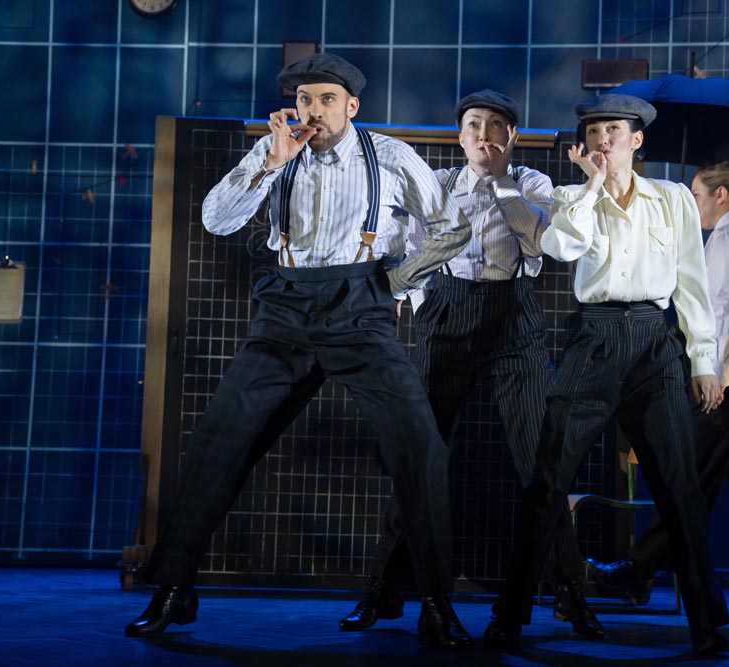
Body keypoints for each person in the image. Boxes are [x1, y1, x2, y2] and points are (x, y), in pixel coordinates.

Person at [124, 53, 476, 651]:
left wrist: (395, 283)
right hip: (284, 309)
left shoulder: (388, 157)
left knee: (420, 446)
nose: (315, 111)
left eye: (327, 100)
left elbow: (453, 226)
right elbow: (215, 221)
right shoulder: (276, 150)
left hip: (359, 309)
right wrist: (265, 164)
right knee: (217, 441)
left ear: (352, 106)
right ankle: (174, 589)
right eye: (307, 100)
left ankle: (438, 603)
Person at [338, 89, 604, 640]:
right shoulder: (433, 186)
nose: (485, 135)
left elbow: (539, 238)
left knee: (541, 461)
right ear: (461, 135)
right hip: (448, 314)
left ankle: (570, 593)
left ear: (512, 137)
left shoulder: (532, 184)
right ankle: (383, 590)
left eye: (498, 127)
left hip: (514, 316)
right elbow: (407, 253)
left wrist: (500, 181)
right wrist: (423, 306)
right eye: (475, 125)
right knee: (423, 457)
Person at [481, 94, 729, 657]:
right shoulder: (573, 196)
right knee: (548, 482)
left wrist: (704, 360)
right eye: (594, 133)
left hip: (654, 342)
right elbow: (560, 246)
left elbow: (691, 281)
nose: (603, 141)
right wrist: (591, 188)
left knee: (679, 488)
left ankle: (706, 623)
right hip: (593, 340)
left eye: (613, 131)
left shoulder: (671, 199)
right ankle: (511, 614)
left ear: (636, 140)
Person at [588, 161, 729, 629]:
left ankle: (640, 568)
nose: (691, 204)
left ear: (721, 195)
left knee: (691, 467)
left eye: (696, 194)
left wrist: (715, 374)